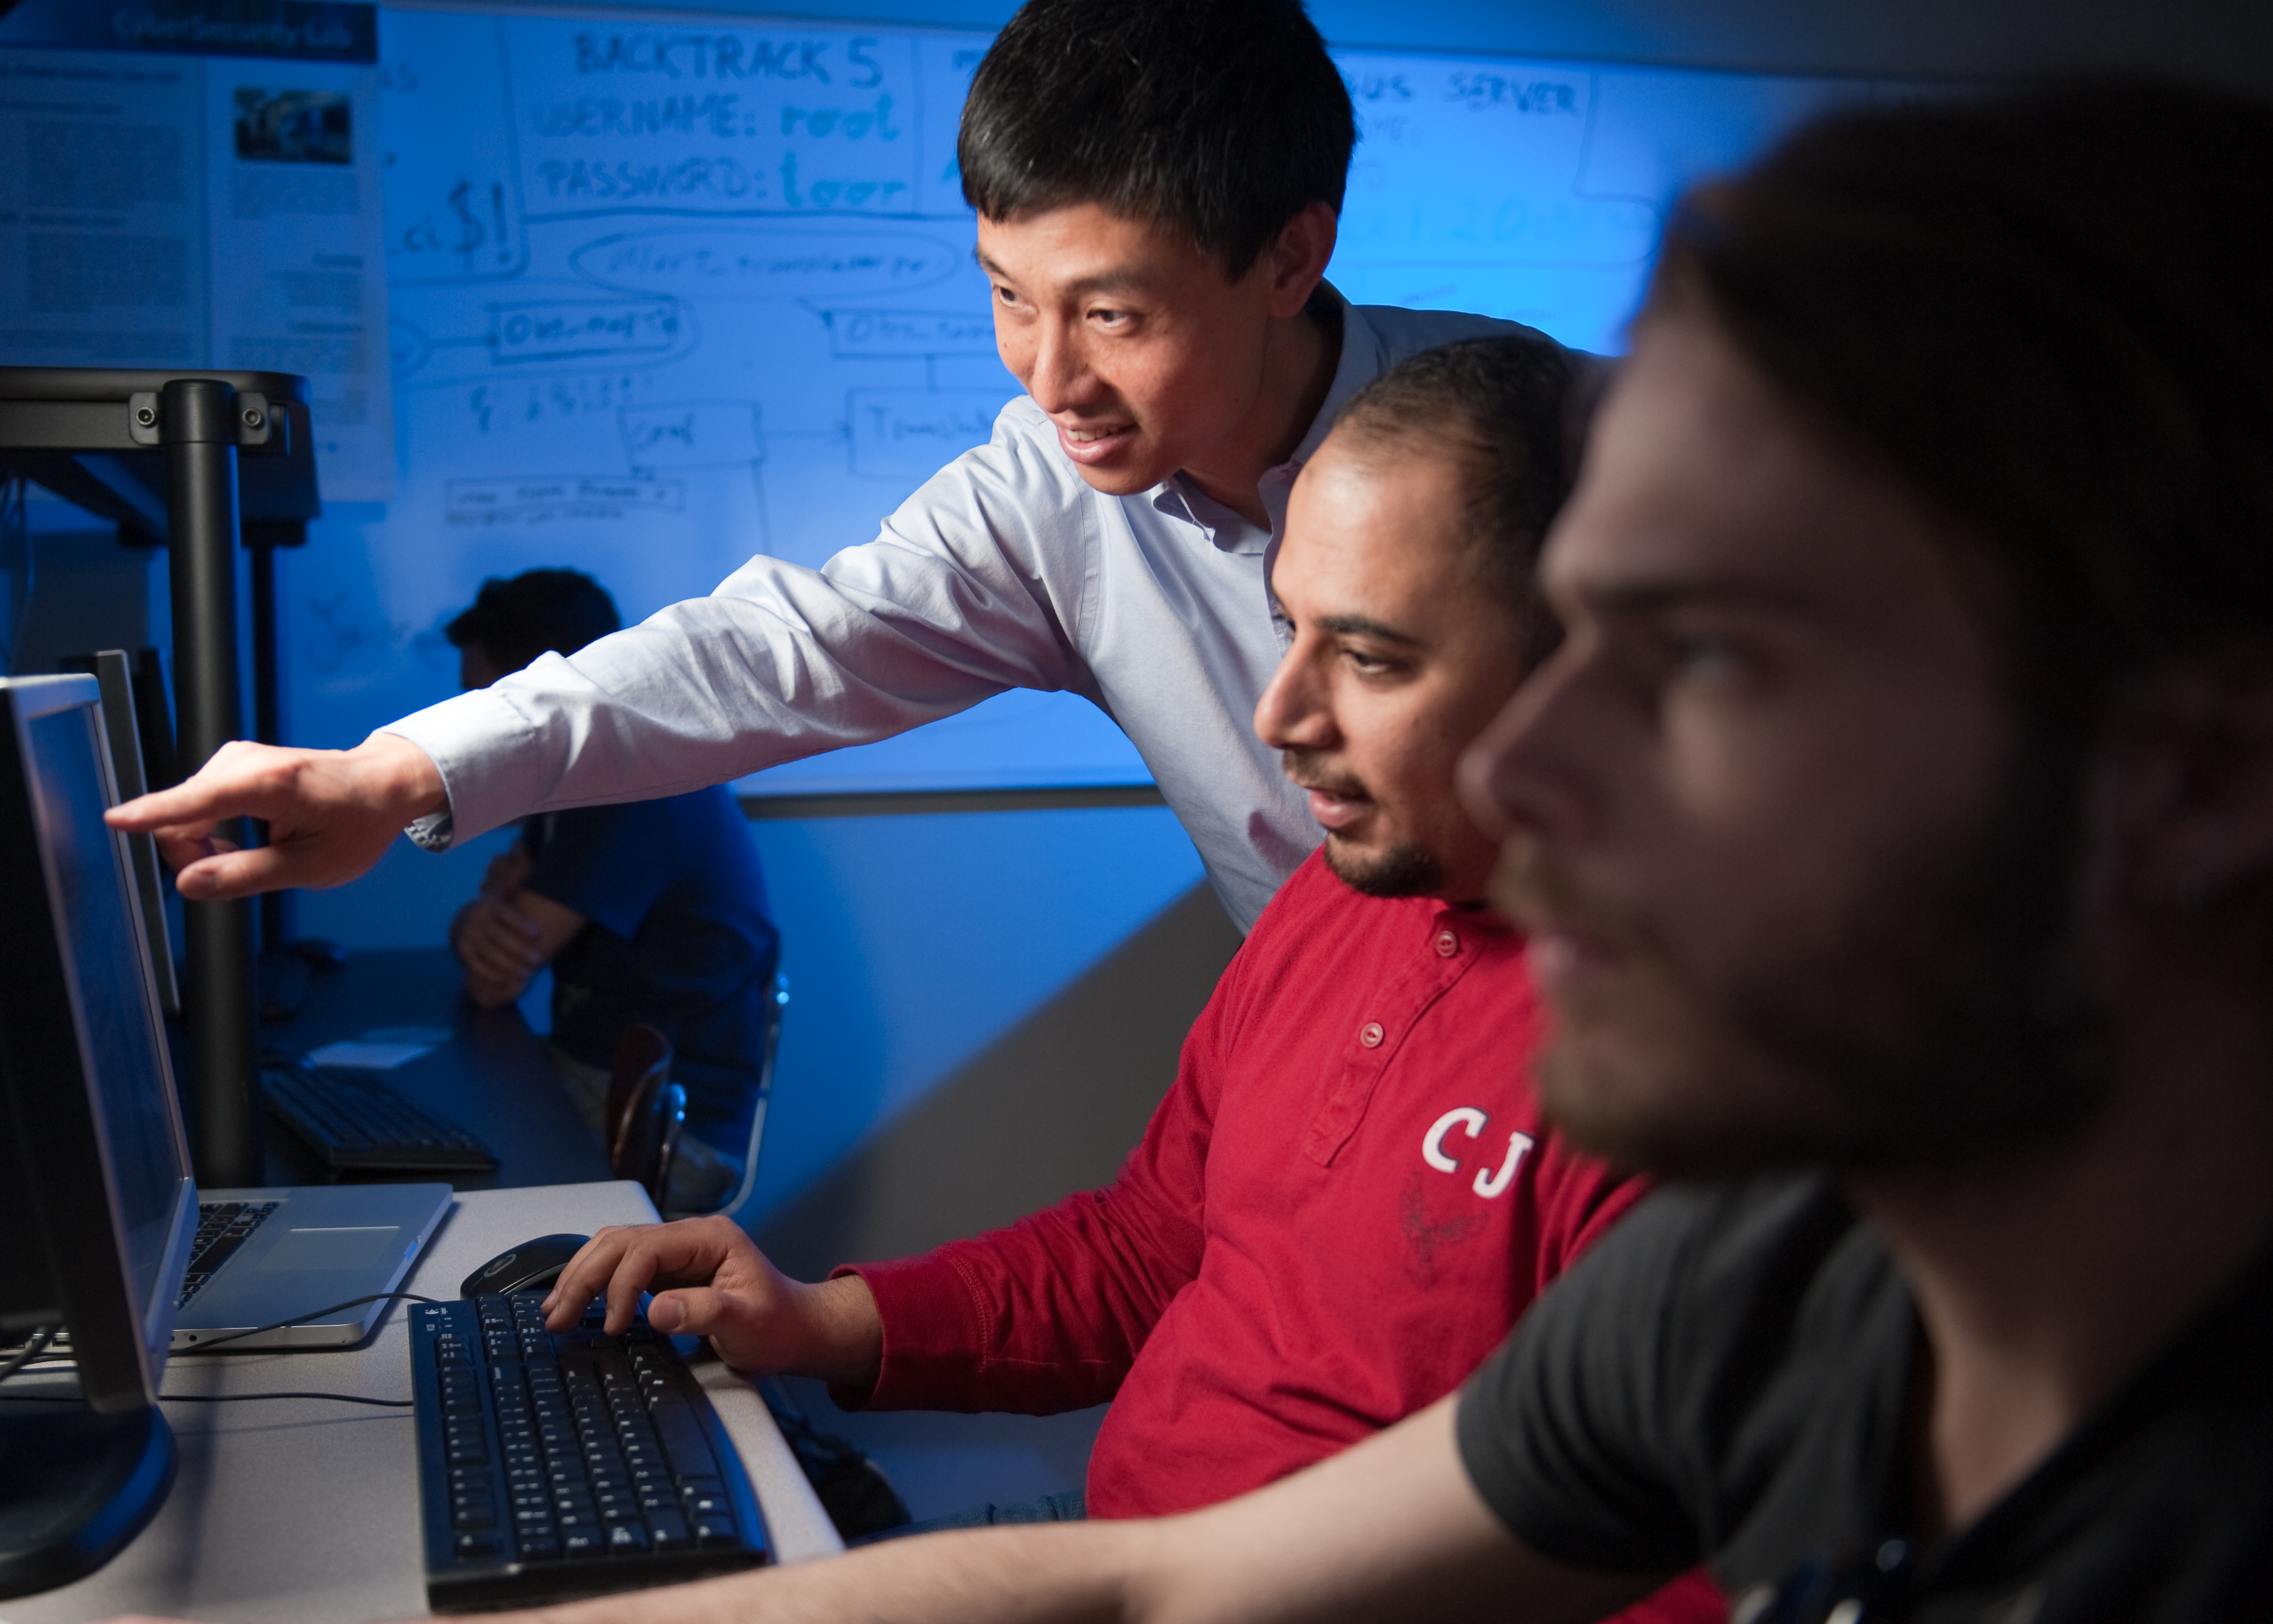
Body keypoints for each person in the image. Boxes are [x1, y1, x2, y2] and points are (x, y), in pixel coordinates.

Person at [135, 78, 2258, 1624]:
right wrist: (408, 773)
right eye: (1007, 297)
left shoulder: (1733, 1199)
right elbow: (1158, 1566)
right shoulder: (1763, 1299)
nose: (1528, 761)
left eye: (1696, 654)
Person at [530, 342, 1713, 1618]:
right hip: (1121, 1543)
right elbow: (1151, 1246)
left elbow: (1677, 1564)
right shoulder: (1339, 896)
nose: (1277, 717)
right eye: (1287, 629)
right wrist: (818, 1321)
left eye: (1369, 659)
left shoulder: (1691, 1069)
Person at [107, 0, 1562, 936]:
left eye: (1113, 315)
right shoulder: (1048, 495)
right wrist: (393, 771)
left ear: (1290, 259)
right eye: (1008, 294)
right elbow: (765, 652)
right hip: (1348, 1056)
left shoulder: (1570, 441)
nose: (1048, 378)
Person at [444, 569, 780, 1213]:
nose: (461, 725)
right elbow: (501, 926)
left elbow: (495, 977)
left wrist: (481, 918)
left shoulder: (633, 788)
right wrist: (477, 920)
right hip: (606, 1072)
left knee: (449, 1148)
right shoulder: (580, 777)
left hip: (675, 1126)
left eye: (480, 700)